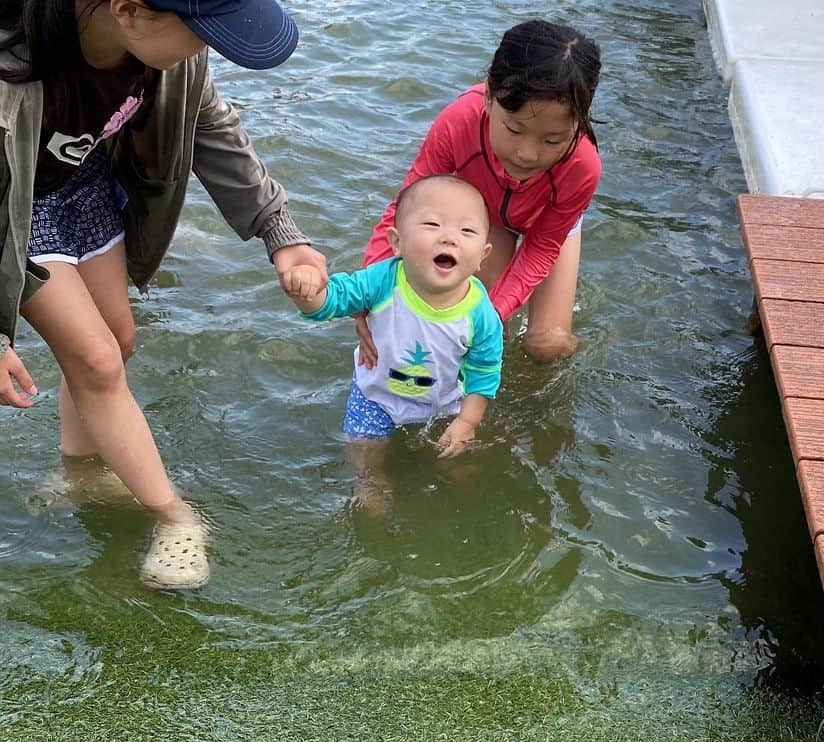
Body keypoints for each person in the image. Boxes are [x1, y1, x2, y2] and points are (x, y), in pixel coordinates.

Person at [0, 0, 328, 590]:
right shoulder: (11, 65)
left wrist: (281, 234)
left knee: (117, 342)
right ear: (128, 11)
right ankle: (175, 516)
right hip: (12, 209)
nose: (208, 51)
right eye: (202, 35)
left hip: (82, 182)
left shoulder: (170, 61)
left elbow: (211, 127)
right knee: (96, 360)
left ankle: (77, 473)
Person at [358, 19, 601, 366]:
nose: (527, 154)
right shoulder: (459, 120)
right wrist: (370, 292)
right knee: (471, 318)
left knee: (546, 347)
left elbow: (543, 247)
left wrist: (490, 319)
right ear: (489, 97)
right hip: (484, 215)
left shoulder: (583, 165)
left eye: (552, 140)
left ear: (579, 123)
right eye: (515, 129)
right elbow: (407, 208)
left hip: (547, 226)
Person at [283, 175, 502, 510]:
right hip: (377, 395)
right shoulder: (383, 280)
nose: (449, 238)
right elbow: (332, 300)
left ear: (483, 255)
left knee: (460, 461)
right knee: (363, 456)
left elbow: (484, 372)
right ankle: (370, 486)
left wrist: (467, 422)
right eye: (432, 224)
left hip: (442, 400)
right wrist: (306, 292)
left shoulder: (480, 313)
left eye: (466, 231)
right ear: (396, 242)